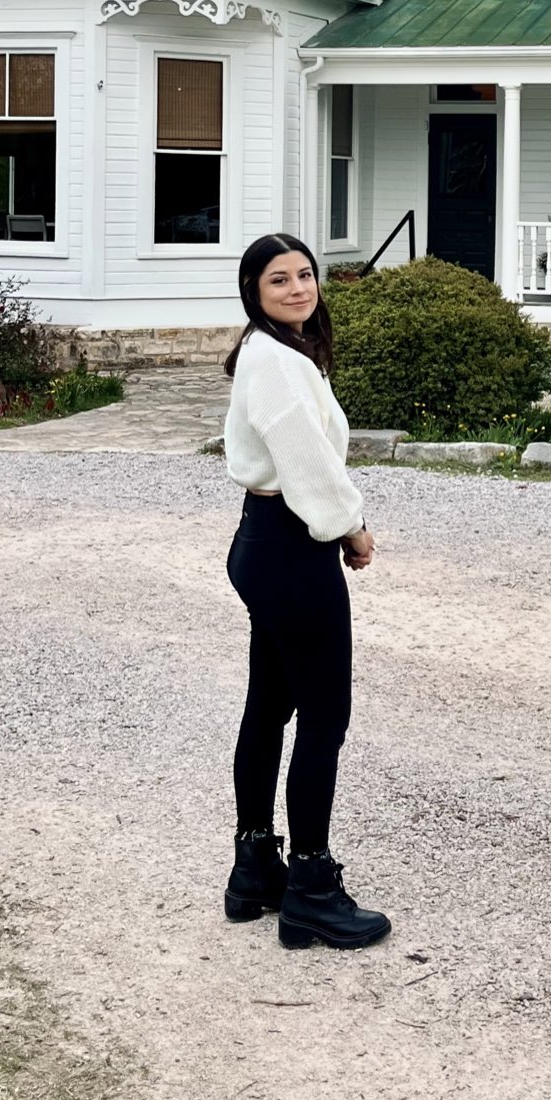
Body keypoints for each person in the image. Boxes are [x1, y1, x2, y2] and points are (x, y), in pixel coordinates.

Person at [220, 232, 390, 949]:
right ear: (253, 292)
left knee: (269, 708)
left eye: (305, 275)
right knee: (324, 717)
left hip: (267, 544)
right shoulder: (274, 361)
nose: (298, 288)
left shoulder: (274, 353)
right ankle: (311, 890)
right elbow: (307, 462)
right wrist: (350, 527)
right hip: (291, 549)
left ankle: (256, 866)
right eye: (278, 280)